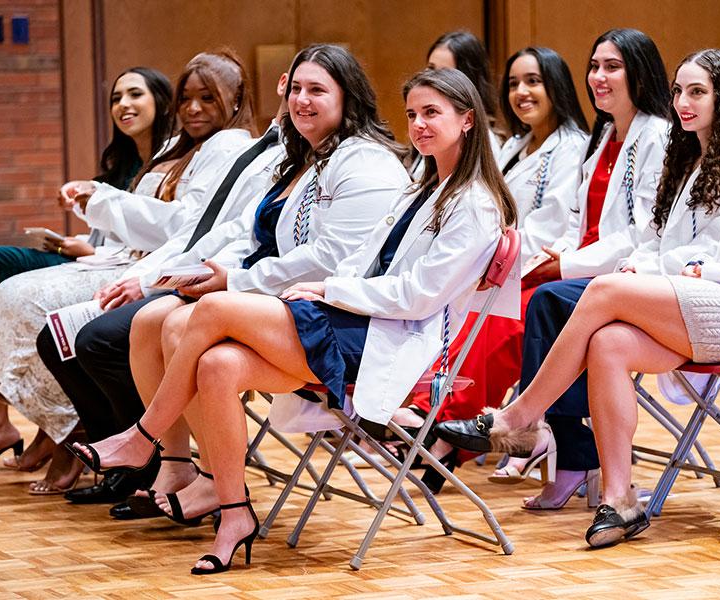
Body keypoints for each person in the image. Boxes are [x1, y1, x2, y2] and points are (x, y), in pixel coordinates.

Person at [68, 67, 516, 574]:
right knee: (217, 365)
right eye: (412, 114)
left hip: (382, 342)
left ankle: (141, 437)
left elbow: (417, 296)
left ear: (468, 121)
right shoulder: (424, 185)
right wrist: (326, 289)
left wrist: (329, 288)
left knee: (211, 309)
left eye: (432, 113)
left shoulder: (475, 204)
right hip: (348, 319)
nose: (418, 125)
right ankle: (234, 514)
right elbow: (363, 262)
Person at [437, 32, 720, 549]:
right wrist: (708, 270)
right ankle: (620, 499)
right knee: (608, 343)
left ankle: (514, 418)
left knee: (602, 291)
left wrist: (715, 273)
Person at [118, 43, 409, 522]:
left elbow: (329, 260)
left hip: (345, 317)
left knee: (180, 327)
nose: (301, 100)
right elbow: (258, 235)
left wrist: (236, 280)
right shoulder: (307, 157)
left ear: (348, 97)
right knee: (151, 321)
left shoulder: (367, 163)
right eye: (295, 88)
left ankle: (189, 464)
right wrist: (207, 271)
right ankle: (179, 466)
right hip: (289, 300)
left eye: (317, 89)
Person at [507, 48, 720, 508]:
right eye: (679, 92)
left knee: (570, 296)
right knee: (591, 329)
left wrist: (642, 266)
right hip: (669, 291)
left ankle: (530, 416)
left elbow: (716, 250)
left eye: (697, 92)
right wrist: (639, 264)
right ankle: (606, 485)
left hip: (711, 299)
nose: (683, 103)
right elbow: (653, 237)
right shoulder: (688, 158)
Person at [0, 51, 252, 494]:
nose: (193, 108)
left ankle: (108, 446)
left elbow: (189, 227)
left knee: (48, 317)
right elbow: (164, 226)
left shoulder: (229, 147)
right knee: (29, 305)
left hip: (175, 270)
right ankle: (90, 440)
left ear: (233, 100)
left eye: (207, 98)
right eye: (187, 98)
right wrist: (98, 217)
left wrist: (102, 205)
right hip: (141, 263)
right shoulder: (179, 149)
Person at [483, 28, 671, 493]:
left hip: (626, 272)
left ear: (640, 72)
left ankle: (554, 440)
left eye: (612, 66)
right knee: (514, 295)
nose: (599, 77)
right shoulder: (604, 134)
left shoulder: (658, 136)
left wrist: (566, 266)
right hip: (585, 265)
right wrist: (560, 254)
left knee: (543, 302)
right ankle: (560, 445)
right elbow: (576, 219)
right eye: (594, 66)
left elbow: (642, 231)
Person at [394, 46, 588, 488]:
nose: (522, 92)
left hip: (544, 264)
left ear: (556, 86)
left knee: (500, 319)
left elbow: (554, 223)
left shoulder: (573, 147)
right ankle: (439, 418)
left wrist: (500, 256)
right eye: (515, 83)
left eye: (533, 81)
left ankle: (445, 425)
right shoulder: (515, 146)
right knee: (469, 304)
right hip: (507, 260)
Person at [0, 67, 174, 491]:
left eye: (135, 94)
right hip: (101, 257)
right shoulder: (122, 159)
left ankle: (63, 429)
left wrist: (90, 247)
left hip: (132, 266)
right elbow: (112, 232)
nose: (123, 105)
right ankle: (34, 423)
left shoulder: (175, 159)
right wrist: (79, 241)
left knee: (23, 297)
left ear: (162, 103)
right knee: (4, 282)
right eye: (116, 97)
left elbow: (164, 232)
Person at [409, 30, 502, 177]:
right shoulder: (427, 129)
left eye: (446, 73)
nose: (434, 79)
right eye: (431, 69)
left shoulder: (482, 141)